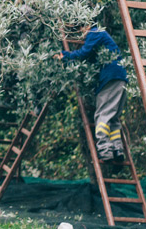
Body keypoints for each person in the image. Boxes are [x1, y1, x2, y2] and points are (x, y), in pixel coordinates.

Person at [54, 25, 127, 163]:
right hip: (119, 77)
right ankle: (117, 150)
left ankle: (105, 151)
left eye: (81, 28)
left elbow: (83, 53)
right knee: (113, 118)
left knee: (102, 115)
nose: (81, 32)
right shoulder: (100, 36)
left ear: (87, 24)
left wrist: (65, 56)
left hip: (110, 78)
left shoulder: (95, 33)